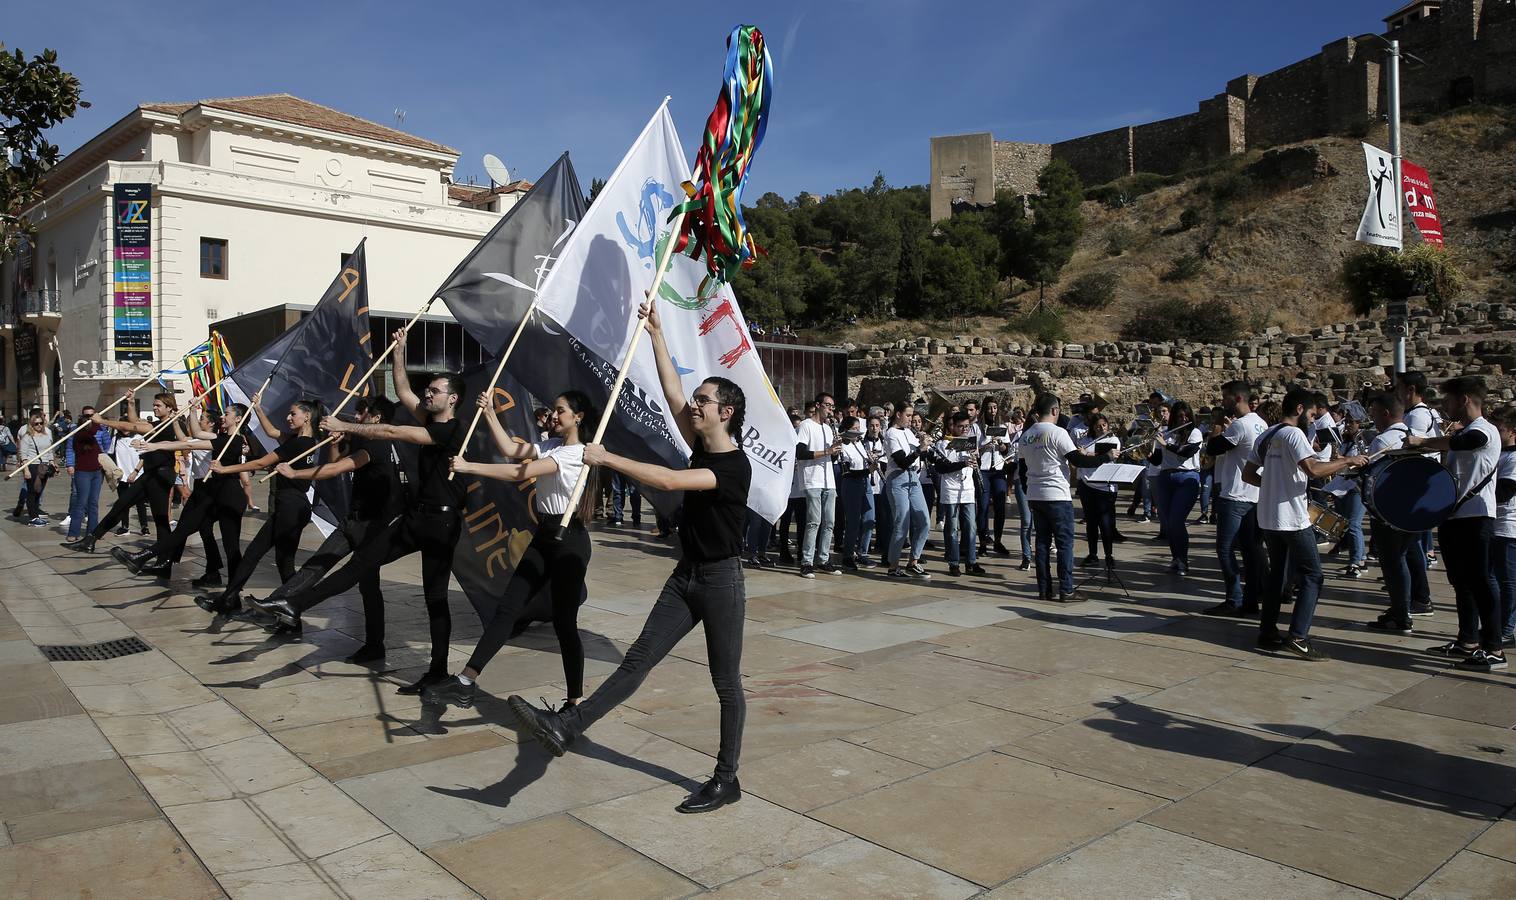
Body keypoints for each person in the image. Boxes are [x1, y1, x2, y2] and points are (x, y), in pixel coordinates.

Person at [509, 300, 753, 816]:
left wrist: (606, 456)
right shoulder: (703, 446)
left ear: (726, 412)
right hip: (686, 577)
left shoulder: (732, 466)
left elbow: (665, 481)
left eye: (705, 402)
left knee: (725, 683)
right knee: (638, 659)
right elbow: (670, 395)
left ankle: (726, 778)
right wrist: (658, 335)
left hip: (721, 582)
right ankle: (568, 725)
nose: (696, 406)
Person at [260, 332, 467, 694]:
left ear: (452, 399)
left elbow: (390, 429)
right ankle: (296, 604)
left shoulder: (450, 430)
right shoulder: (433, 419)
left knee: (435, 597)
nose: (428, 394)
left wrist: (345, 426)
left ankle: (437, 671)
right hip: (416, 518)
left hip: (443, 523)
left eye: (434, 391)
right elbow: (404, 393)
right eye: (429, 390)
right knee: (362, 564)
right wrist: (399, 352)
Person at [422, 390, 599, 711]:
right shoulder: (552, 446)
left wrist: (469, 467)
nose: (554, 416)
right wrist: (489, 411)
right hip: (544, 534)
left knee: (564, 624)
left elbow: (519, 472)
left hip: (569, 541)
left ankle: (575, 701)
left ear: (578, 417)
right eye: (554, 410)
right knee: (507, 609)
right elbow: (510, 450)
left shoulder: (577, 454)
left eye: (560, 411)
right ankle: (465, 681)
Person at [247, 397, 403, 660]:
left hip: (372, 526)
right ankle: (278, 601)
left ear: (376, 418)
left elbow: (337, 469)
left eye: (361, 414)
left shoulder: (377, 445)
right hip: (353, 520)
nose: (356, 418)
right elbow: (336, 459)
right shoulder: (364, 441)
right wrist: (334, 443)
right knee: (317, 564)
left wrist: (295, 474)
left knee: (368, 586)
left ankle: (375, 645)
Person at [1243, 387, 1367, 661]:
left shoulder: (1267, 434)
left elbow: (1248, 474)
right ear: (1300, 409)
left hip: (1269, 516)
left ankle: (1267, 631)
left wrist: (1275, 485)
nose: (1313, 419)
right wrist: (1348, 460)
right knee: (1313, 575)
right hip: (1293, 518)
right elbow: (1313, 470)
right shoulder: (1294, 433)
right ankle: (1298, 637)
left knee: (1277, 575)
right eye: (1311, 414)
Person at [1407, 376, 1505, 670]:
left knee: (1481, 583)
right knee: (1461, 582)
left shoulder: (1483, 431)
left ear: (1464, 400)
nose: (1445, 407)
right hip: (1455, 516)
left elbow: (1465, 442)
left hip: (1476, 517)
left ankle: (1494, 649)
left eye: (1448, 400)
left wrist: (1423, 442)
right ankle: (1468, 640)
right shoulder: (1464, 431)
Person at [192, 396, 325, 614]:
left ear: (307, 416)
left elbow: (262, 462)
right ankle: (291, 614)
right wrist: (259, 409)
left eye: (293, 414)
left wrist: (225, 469)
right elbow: (273, 433)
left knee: (255, 553)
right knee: (284, 561)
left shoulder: (298, 443)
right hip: (297, 505)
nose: (288, 417)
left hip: (290, 504)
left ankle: (228, 599)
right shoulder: (305, 441)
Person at [113, 400, 242, 587]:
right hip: (211, 492)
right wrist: (189, 410)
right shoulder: (219, 437)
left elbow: (189, 445)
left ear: (238, 418)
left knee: (228, 545)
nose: (223, 416)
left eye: (227, 414)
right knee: (189, 530)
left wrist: (155, 447)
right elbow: (189, 438)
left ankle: (233, 589)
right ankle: (151, 559)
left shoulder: (230, 440)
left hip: (222, 494)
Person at [1018, 392, 1113, 602]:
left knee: (1042, 544)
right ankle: (1067, 589)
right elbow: (1077, 460)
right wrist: (1105, 457)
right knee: (1064, 544)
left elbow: (1022, 463)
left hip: (1035, 494)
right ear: (1054, 411)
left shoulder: (1027, 435)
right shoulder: (1058, 432)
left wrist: (1028, 489)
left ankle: (1044, 589)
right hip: (1057, 495)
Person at [74, 391, 179, 553]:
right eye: (154, 405)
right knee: (121, 505)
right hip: (150, 474)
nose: (154, 408)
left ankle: (164, 557)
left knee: (160, 518)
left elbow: (128, 426)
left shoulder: (166, 426)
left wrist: (102, 421)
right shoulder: (158, 424)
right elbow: (134, 421)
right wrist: (130, 403)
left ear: (170, 408)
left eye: (158, 405)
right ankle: (91, 539)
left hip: (161, 476)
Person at [1362, 392, 1430, 634]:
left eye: (1374, 413)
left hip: (1388, 512)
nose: (1372, 418)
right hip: (1412, 511)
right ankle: (1405, 608)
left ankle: (1401, 614)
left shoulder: (1383, 441)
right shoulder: (1417, 438)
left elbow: (1374, 480)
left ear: (1386, 413)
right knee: (1404, 559)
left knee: (1392, 563)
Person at [1204, 380, 1268, 618]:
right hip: (1255, 495)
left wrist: (1219, 426)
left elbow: (1212, 448)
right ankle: (1251, 599)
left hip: (1235, 496)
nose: (1222, 402)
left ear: (1237, 399)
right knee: (1251, 551)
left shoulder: (1239, 425)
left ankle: (1234, 598)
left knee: (1225, 549)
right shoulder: (1262, 424)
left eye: (1225, 398)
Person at [1397, 370, 1443, 570]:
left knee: (1413, 541)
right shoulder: (1413, 414)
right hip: (1417, 481)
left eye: (1399, 388)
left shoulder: (1417, 415)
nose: (1396, 392)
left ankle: (1417, 585)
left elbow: (1413, 449)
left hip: (1418, 482)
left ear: (1411, 390)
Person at [1154, 400, 1204, 575]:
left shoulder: (1195, 432)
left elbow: (1187, 453)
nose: (1183, 419)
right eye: (1180, 416)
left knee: (1176, 520)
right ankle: (1175, 558)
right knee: (1168, 523)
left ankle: (1183, 560)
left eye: (1186, 416)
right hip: (1165, 477)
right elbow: (1157, 460)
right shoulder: (1166, 433)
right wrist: (1147, 451)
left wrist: (1166, 444)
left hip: (1186, 477)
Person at [935, 411, 986, 577]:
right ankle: (954, 562)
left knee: (971, 526)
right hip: (951, 489)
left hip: (968, 489)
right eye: (961, 427)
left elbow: (973, 464)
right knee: (952, 528)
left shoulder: (971, 442)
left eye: (967, 426)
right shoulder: (943, 443)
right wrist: (962, 463)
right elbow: (941, 468)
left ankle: (971, 562)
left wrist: (975, 459)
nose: (964, 429)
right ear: (953, 427)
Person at [795, 392, 841, 578]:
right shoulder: (806, 425)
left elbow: (832, 456)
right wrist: (827, 451)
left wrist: (836, 450)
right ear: (818, 405)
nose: (830, 410)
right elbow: (801, 453)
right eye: (828, 405)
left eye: (832, 406)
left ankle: (823, 559)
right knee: (814, 521)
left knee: (829, 522)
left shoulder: (829, 428)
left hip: (828, 479)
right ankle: (807, 561)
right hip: (812, 478)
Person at [884, 407, 932, 579]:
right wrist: (919, 449)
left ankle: (913, 561)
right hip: (898, 478)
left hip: (914, 478)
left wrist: (925, 445)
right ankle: (893, 566)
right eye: (908, 415)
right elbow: (902, 461)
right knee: (901, 524)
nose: (911, 420)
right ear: (898, 415)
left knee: (925, 521)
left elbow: (921, 457)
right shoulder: (891, 433)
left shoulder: (909, 433)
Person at [62, 405, 113, 545]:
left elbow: (107, 446)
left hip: (97, 470)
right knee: (81, 502)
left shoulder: (100, 429)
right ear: (82, 417)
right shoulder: (77, 431)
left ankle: (93, 532)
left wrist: (104, 427)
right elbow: (70, 449)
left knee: (93, 503)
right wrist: (70, 465)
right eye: (86, 415)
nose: (89, 418)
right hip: (82, 471)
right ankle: (73, 532)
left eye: (92, 415)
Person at [1075, 413, 1121, 568]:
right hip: (1086, 485)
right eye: (1097, 426)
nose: (1101, 428)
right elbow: (1080, 460)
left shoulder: (1113, 440)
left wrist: (1087, 454)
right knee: (1091, 522)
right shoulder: (1085, 440)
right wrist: (1081, 453)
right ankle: (1092, 554)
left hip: (1105, 487)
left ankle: (1109, 556)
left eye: (1104, 425)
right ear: (1092, 428)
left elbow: (1109, 456)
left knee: (1105, 523)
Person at [837, 415, 878, 570]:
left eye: (858, 429)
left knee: (869, 518)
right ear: (846, 430)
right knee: (853, 521)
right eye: (854, 429)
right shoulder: (843, 446)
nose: (857, 432)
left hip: (865, 483)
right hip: (851, 484)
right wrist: (868, 470)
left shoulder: (860, 443)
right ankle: (848, 555)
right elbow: (846, 472)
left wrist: (871, 461)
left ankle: (863, 553)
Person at [1490, 409, 1516, 648]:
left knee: (1507, 581)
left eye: (1500, 430)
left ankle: (1507, 629)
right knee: (1493, 580)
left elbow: (1504, 491)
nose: (1496, 434)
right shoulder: (1500, 454)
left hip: (1508, 527)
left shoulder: (1514, 459)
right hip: (1495, 525)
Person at [15, 414, 53, 526]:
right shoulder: (27, 437)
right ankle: (33, 517)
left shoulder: (46, 436)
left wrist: (52, 462)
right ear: (31, 424)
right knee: (32, 492)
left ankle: (35, 514)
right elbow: (23, 455)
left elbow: (50, 450)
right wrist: (26, 470)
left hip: (44, 467)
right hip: (33, 466)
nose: (39, 425)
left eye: (41, 423)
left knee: (39, 492)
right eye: (36, 423)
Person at [1007, 409, 1034, 569]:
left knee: (1040, 522)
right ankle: (1026, 557)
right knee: (1026, 521)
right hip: (1020, 480)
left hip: (1038, 482)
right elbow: (1011, 455)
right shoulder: (1020, 437)